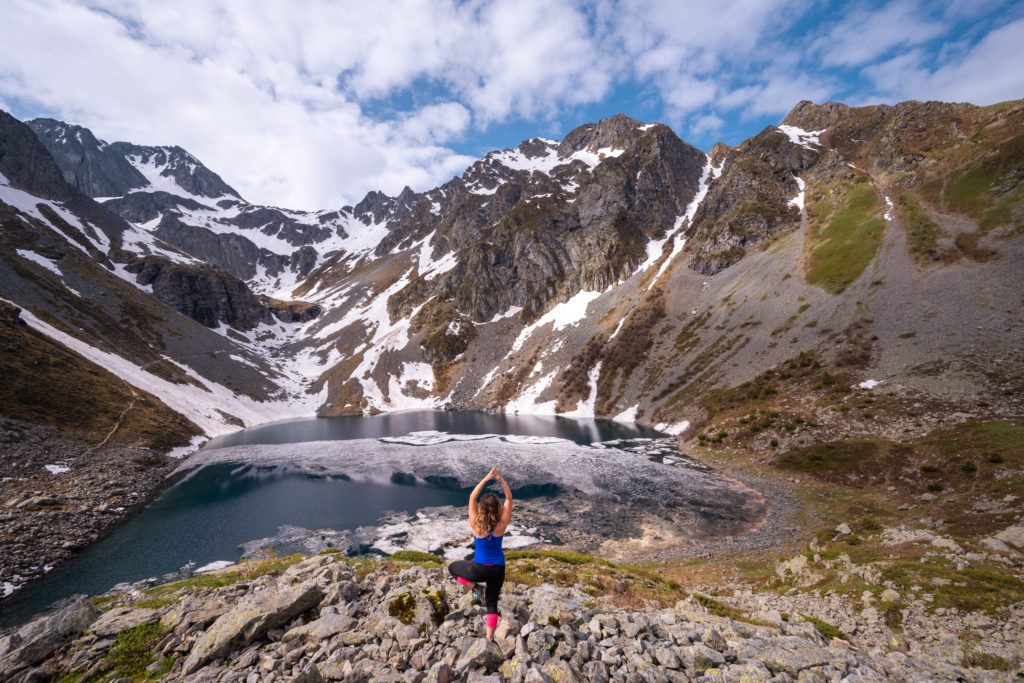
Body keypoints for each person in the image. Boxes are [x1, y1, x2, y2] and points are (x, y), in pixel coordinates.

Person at [447, 466, 512, 640]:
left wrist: (485, 479)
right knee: (492, 603)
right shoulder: (502, 525)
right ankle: (489, 641)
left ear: (481, 508)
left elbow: (472, 497)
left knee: (452, 568)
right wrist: (502, 481)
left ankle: (475, 587)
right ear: (497, 508)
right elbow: (508, 498)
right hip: (498, 568)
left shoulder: (476, 524)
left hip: (479, 569)